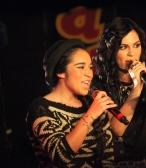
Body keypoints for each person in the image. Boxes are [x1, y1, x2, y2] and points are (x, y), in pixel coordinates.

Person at [90, 17, 146, 168]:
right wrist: (137, 87)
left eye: (136, 45)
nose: (132, 53)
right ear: (111, 49)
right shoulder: (100, 84)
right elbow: (117, 128)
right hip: (122, 160)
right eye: (123, 47)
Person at [26, 39, 117, 167]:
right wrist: (90, 115)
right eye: (80, 67)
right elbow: (60, 156)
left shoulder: (93, 105)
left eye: (90, 67)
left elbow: (108, 159)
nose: (89, 74)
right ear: (60, 72)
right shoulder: (40, 108)